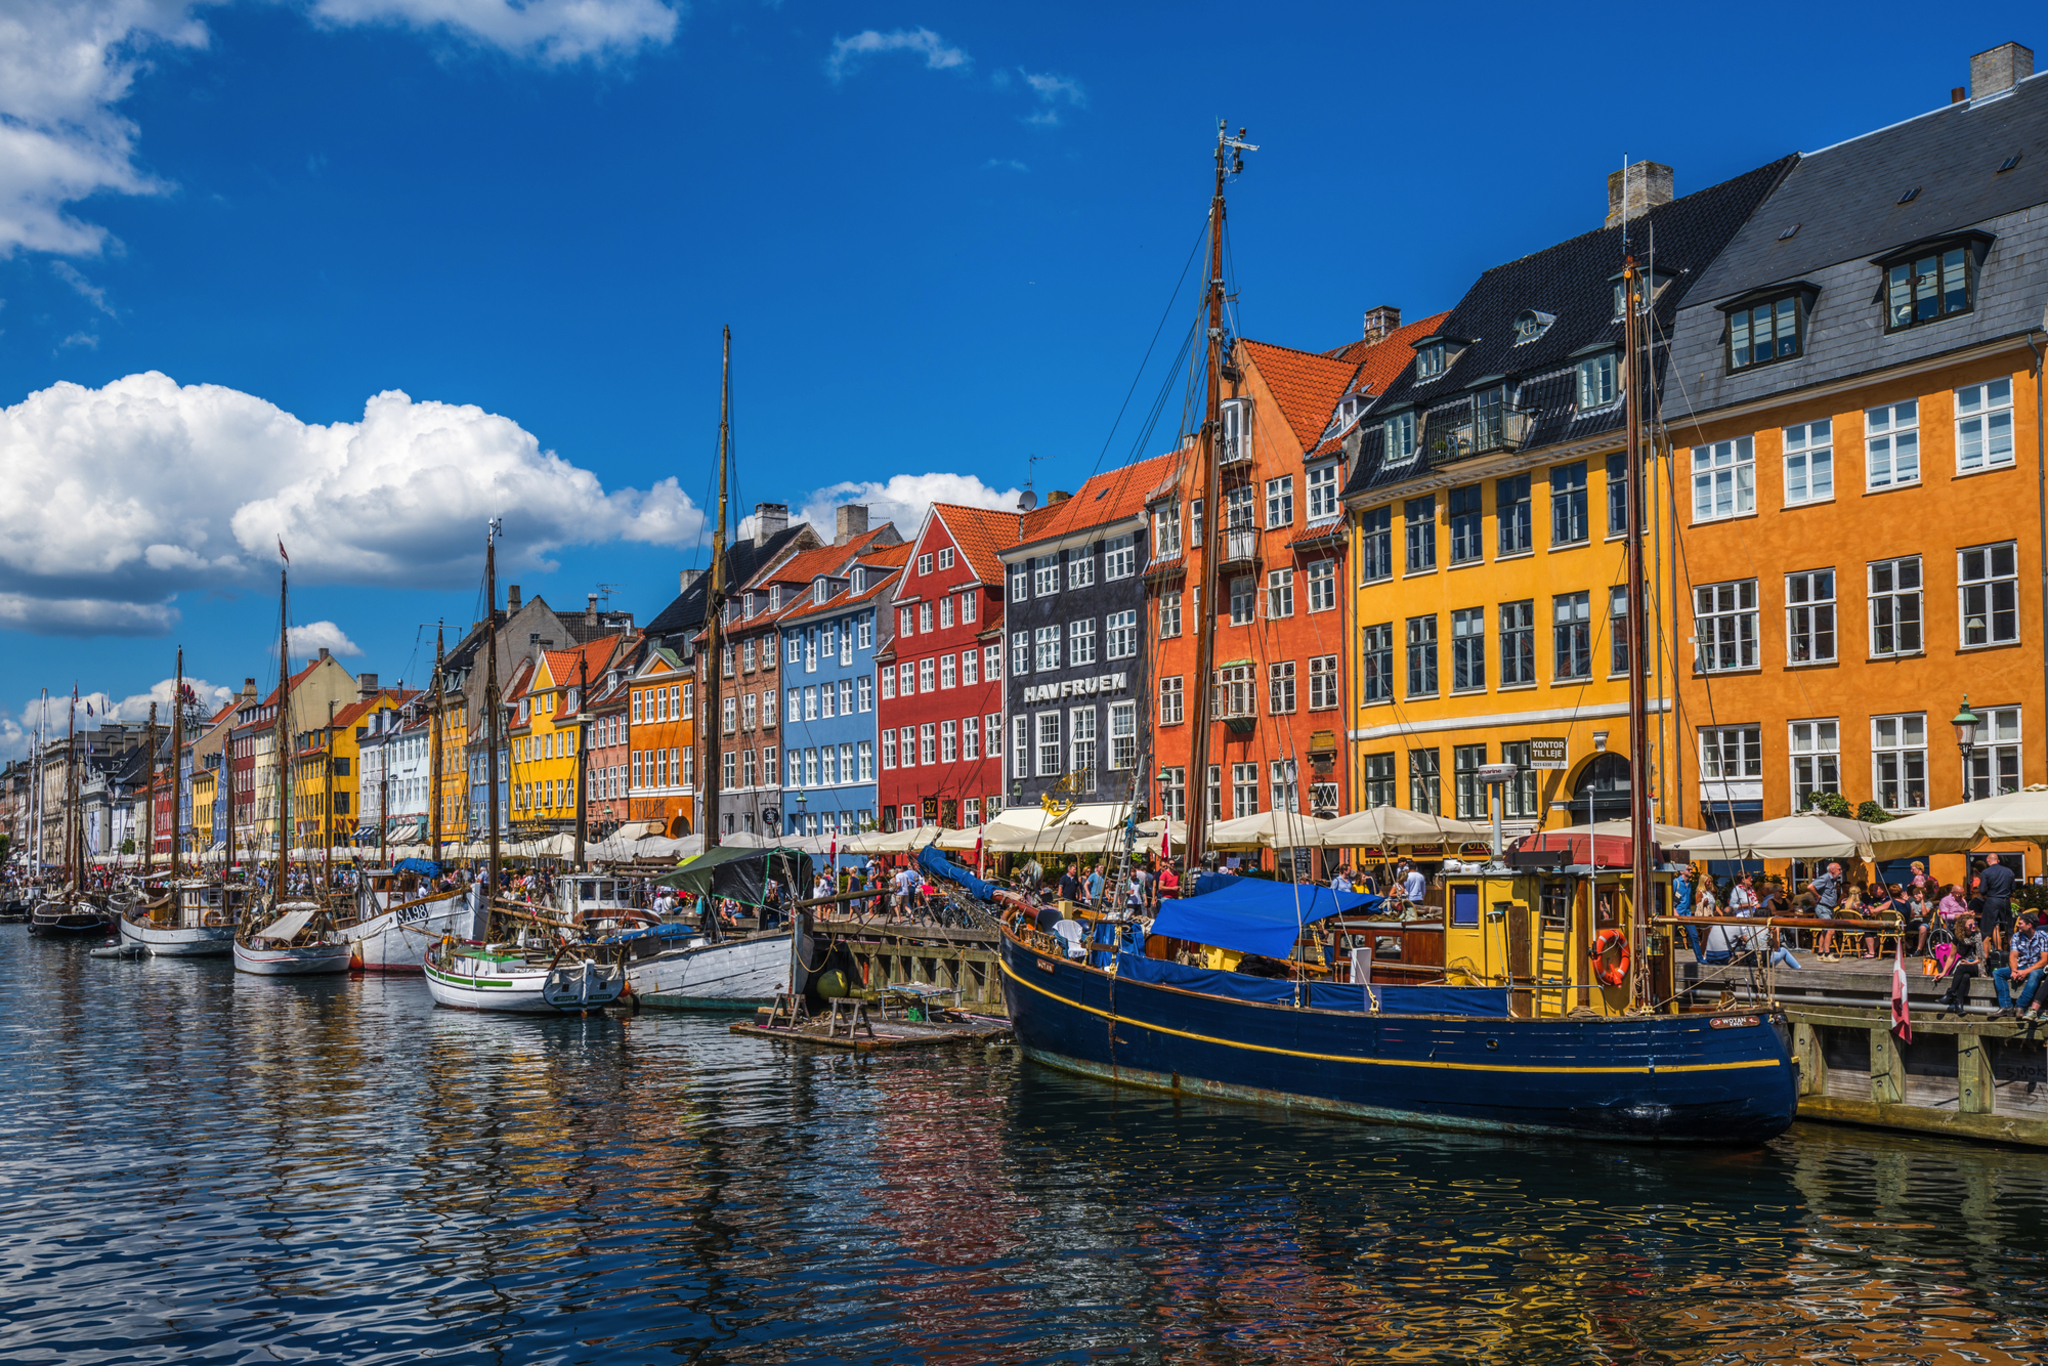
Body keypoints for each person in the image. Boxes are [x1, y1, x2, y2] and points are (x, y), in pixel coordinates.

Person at [1993, 911, 2047, 1019]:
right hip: (2021, 966)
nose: (2017, 925)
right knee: (1998, 973)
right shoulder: (2016, 936)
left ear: (2029, 925)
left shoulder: (2043, 936)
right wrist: (2014, 970)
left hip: (2037, 967)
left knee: (2034, 975)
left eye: (2020, 923)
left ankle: (2020, 1006)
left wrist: (2026, 971)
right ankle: (2006, 1006)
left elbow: (2045, 960)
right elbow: (2013, 956)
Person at [1938, 913, 1984, 1015]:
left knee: (1962, 968)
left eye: (1975, 924)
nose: (1973, 926)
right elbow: (1951, 956)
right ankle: (1959, 1005)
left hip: (1979, 965)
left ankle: (1950, 994)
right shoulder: (1958, 937)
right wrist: (1943, 972)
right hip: (1965, 965)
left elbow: (1982, 958)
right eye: (1970, 925)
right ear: (1963, 926)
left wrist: (1970, 963)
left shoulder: (1979, 935)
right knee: (1965, 976)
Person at [1980, 853, 2018, 957]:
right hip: (2005, 900)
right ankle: (2013, 954)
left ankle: (1988, 955)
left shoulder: (1986, 872)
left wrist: (1988, 893)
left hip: (1992, 900)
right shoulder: (2009, 871)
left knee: (1987, 928)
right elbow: (2013, 888)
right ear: (1998, 860)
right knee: (2009, 928)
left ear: (1988, 861)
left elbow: (1982, 890)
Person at [1810, 861, 1844, 960]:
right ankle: (1827, 954)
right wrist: (1817, 895)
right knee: (1830, 930)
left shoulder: (1833, 880)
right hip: (1823, 907)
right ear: (1832, 870)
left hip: (1829, 907)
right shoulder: (1825, 878)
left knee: (1825, 930)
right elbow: (1810, 886)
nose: (1841, 871)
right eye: (1839, 869)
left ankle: (1820, 954)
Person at [1675, 865, 1702, 961]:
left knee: (1694, 936)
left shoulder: (1689, 884)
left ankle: (1700, 959)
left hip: (1687, 914)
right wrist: (1674, 911)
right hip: (1677, 914)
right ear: (1681, 871)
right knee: (1670, 937)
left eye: (1691, 869)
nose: (1691, 871)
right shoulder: (1676, 882)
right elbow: (1669, 897)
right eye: (1688, 869)